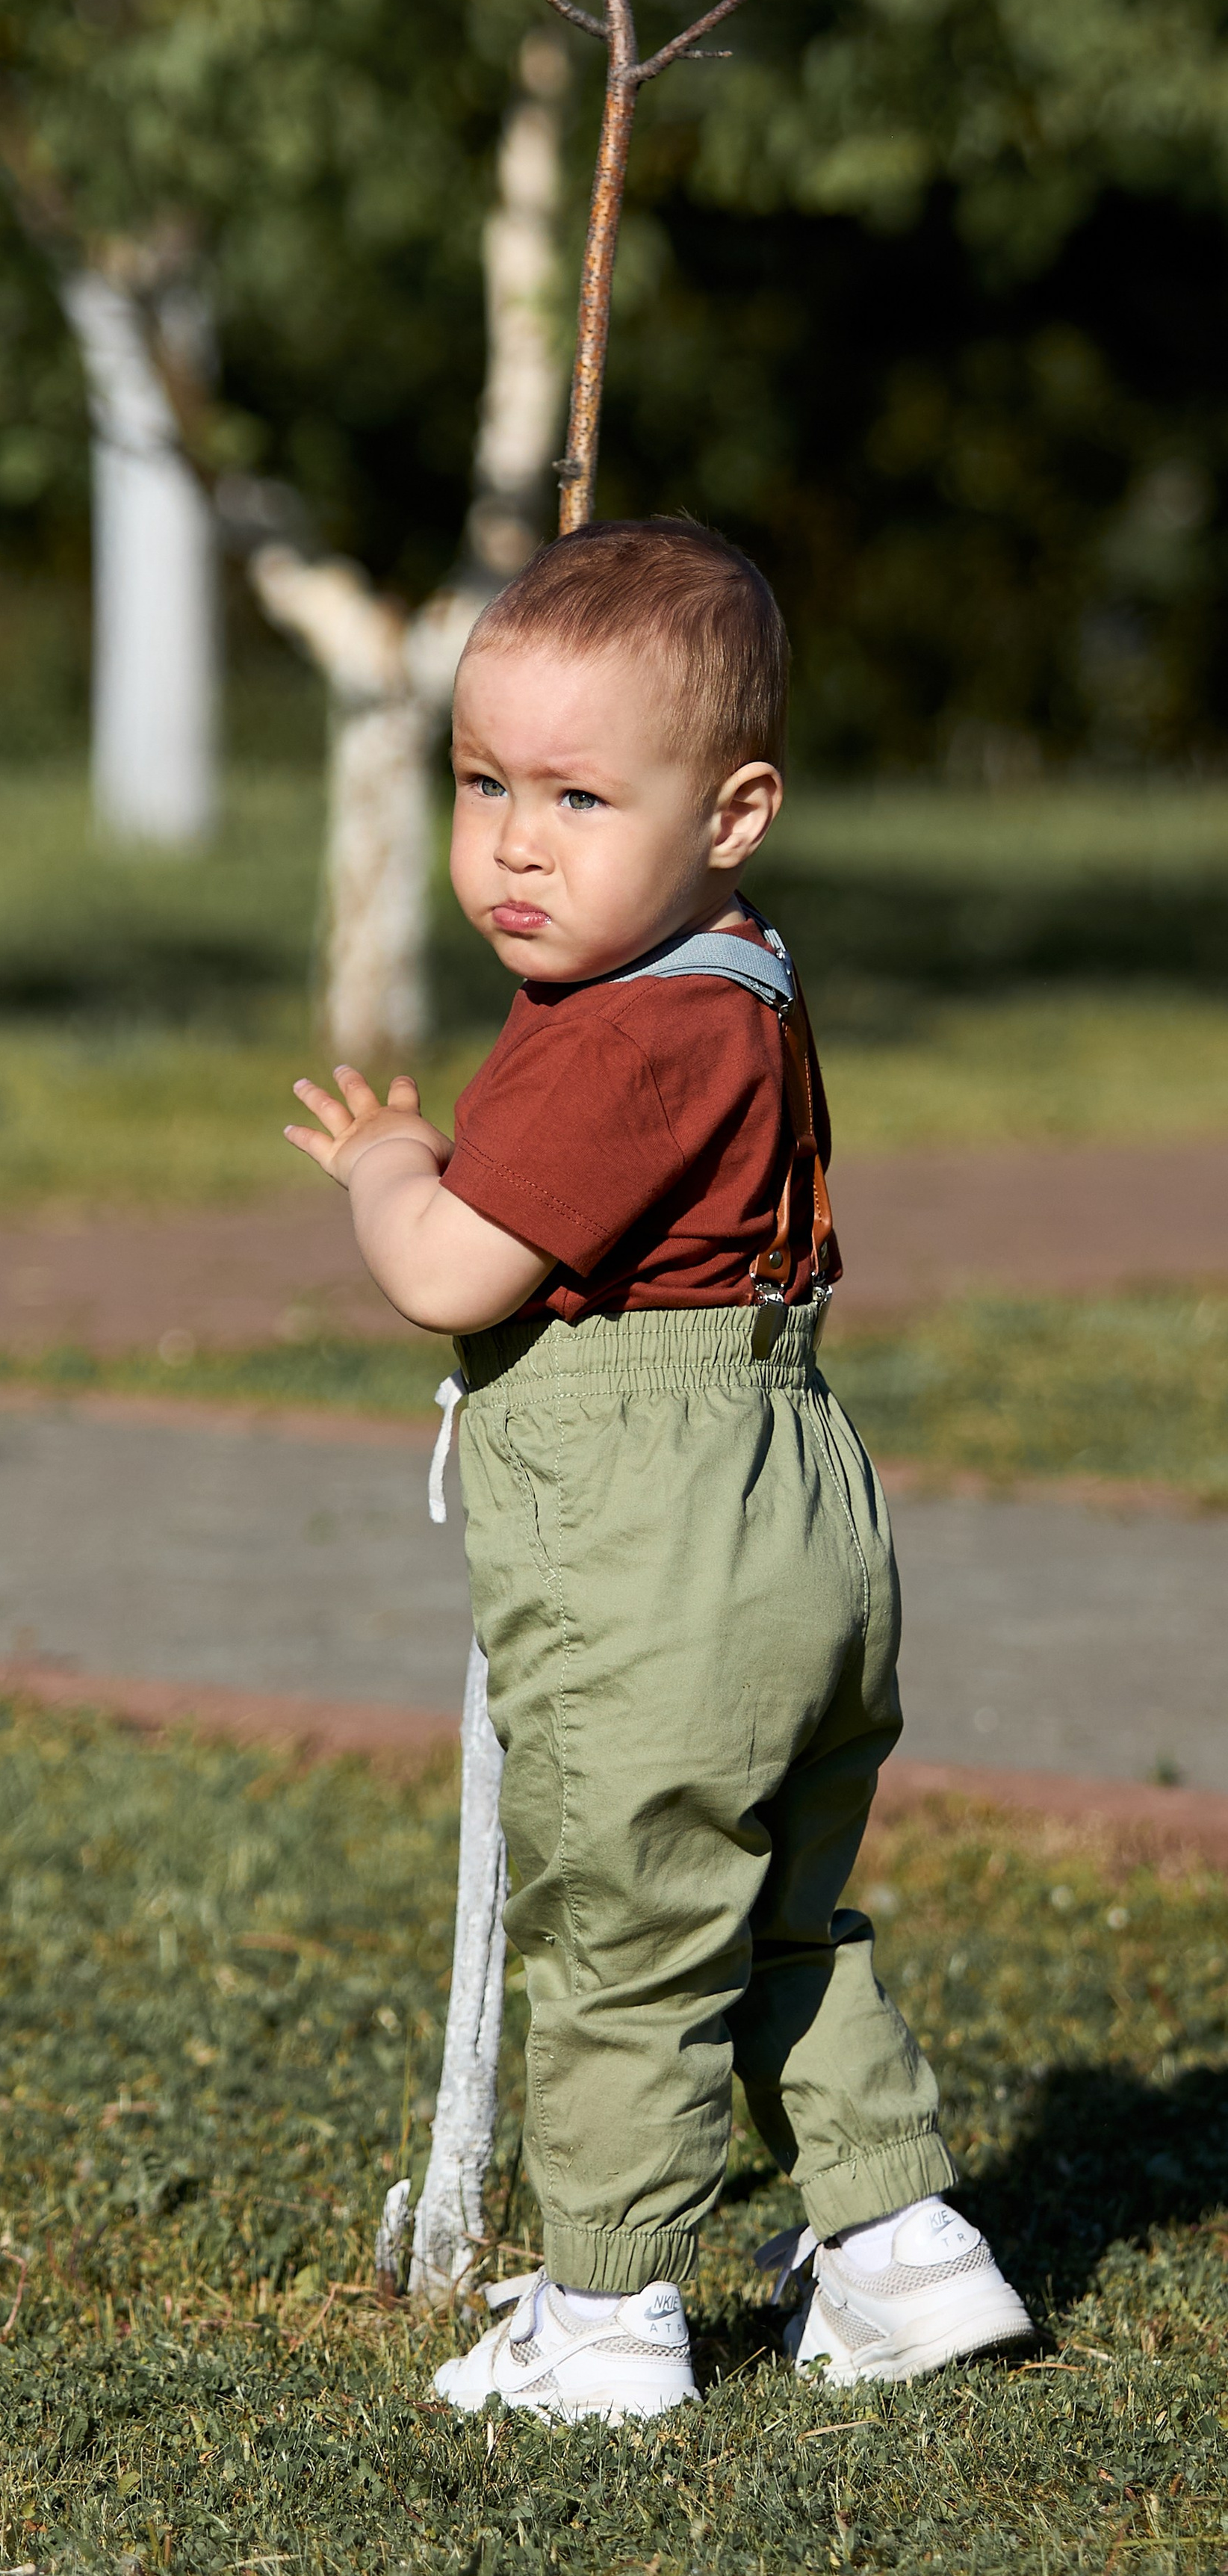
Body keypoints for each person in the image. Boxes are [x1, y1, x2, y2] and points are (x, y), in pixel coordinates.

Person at [284, 518, 1032, 2420]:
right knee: (778, 1910)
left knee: (619, 1926)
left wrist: (384, 1162)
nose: (513, 846)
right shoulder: (739, 977)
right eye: (482, 785)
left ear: (734, 813)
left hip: (648, 1539)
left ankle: (604, 2317)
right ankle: (900, 2253)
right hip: (800, 1504)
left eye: (577, 796)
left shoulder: (621, 1040)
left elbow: (446, 1271)